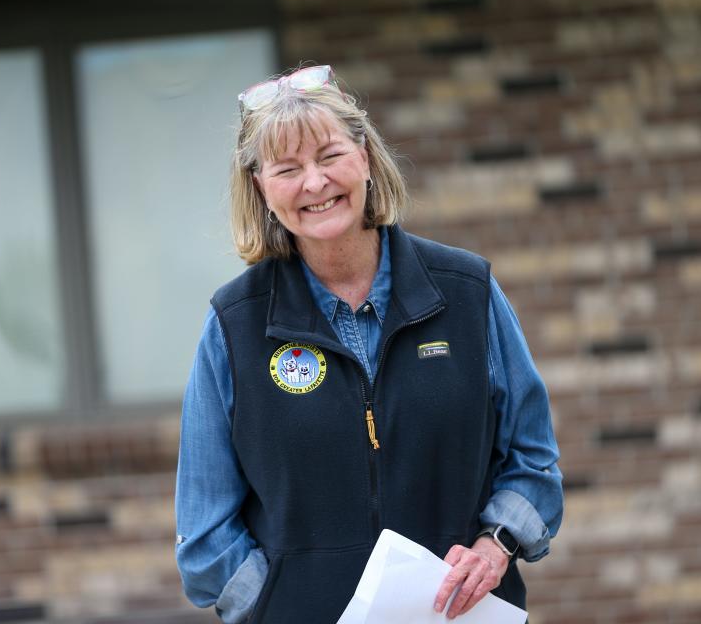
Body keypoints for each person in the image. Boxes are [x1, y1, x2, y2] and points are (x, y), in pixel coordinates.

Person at [175, 64, 563, 623]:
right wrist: (281, 607)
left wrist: (496, 545)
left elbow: (533, 458)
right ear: (260, 188)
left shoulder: (466, 292)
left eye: (329, 156)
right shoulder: (234, 325)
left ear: (365, 158)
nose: (314, 183)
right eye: (287, 168)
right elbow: (204, 534)